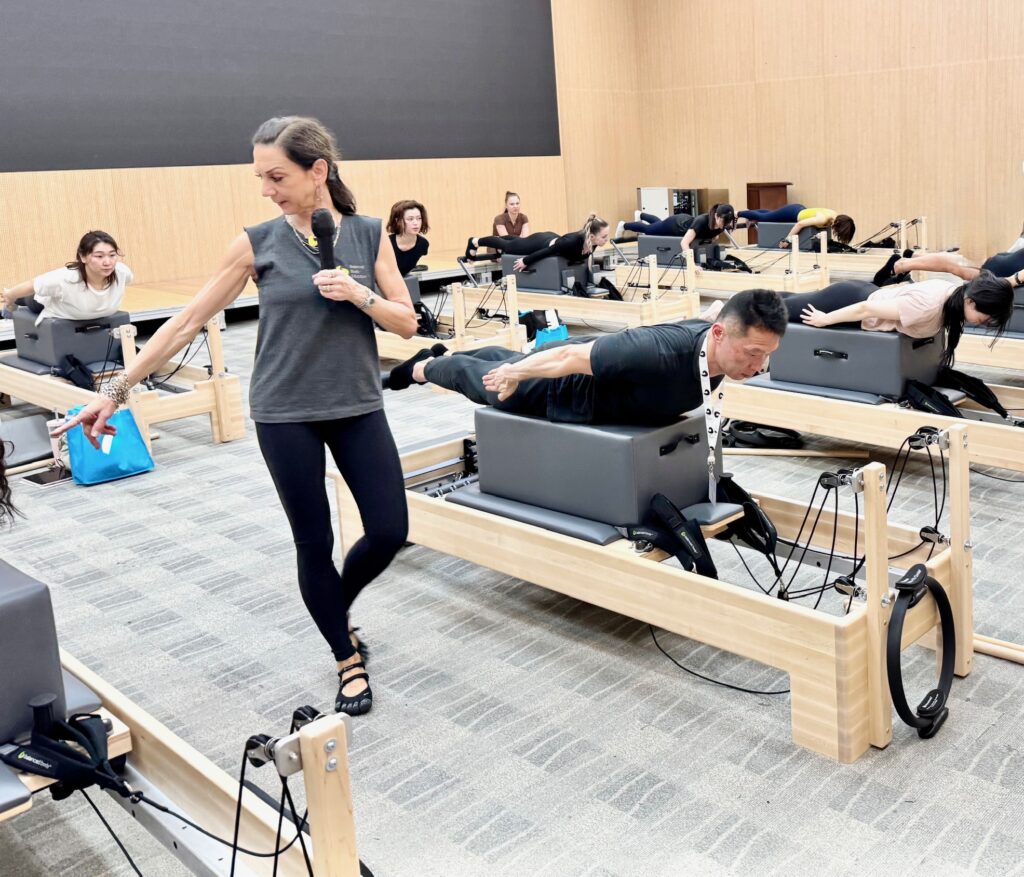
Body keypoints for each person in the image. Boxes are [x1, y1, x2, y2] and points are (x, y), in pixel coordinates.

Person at [54, 116, 418, 717]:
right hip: (284, 413)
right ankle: (345, 655)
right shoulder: (256, 242)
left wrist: (358, 294)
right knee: (315, 541)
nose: (267, 190)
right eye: (261, 178)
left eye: (277, 177)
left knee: (388, 530)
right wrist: (114, 391)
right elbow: (186, 322)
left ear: (318, 171)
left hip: (356, 404)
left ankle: (334, 606)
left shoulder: (368, 233)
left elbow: (406, 322)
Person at [386, 289, 787, 427]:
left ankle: (450, 354)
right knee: (484, 381)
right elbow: (566, 357)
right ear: (719, 336)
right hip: (560, 386)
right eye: (753, 354)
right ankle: (424, 366)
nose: (757, 368)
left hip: (591, 365)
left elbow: (711, 318)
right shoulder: (655, 350)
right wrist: (514, 374)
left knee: (502, 359)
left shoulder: (718, 341)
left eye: (766, 357)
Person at [783, 255, 1017, 365]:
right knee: (783, 307)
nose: (982, 323)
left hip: (868, 293)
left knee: (791, 301)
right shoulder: (928, 306)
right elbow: (865, 309)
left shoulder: (960, 295)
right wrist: (825, 319)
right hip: (848, 300)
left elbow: (949, 265)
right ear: (971, 302)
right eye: (984, 319)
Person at [2, 231, 132, 323]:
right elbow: (32, 285)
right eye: (99, 256)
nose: (108, 262)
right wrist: (10, 297)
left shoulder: (122, 273)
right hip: (49, 302)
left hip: (72, 306)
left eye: (112, 255)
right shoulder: (64, 279)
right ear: (83, 257)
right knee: (30, 299)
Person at [466, 215, 610, 272]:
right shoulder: (571, 242)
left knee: (518, 242)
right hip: (541, 243)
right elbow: (547, 252)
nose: (606, 239)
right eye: (604, 236)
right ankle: (475, 241)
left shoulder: (593, 242)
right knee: (509, 247)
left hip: (552, 240)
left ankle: (499, 242)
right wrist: (525, 261)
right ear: (592, 236)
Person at [619, 204, 738, 250]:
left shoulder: (722, 224)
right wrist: (692, 265)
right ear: (716, 216)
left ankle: (641, 215)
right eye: (723, 221)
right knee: (649, 230)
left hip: (685, 223)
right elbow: (684, 243)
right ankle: (624, 225)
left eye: (727, 222)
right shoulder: (702, 221)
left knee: (658, 224)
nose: (724, 225)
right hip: (675, 225)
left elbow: (714, 236)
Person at [738, 205, 856, 248]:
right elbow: (800, 225)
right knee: (765, 218)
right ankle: (738, 213)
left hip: (799, 210)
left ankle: (750, 213)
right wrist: (786, 240)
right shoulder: (823, 219)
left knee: (771, 215)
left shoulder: (834, 216)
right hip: (793, 213)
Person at [386, 199, 430, 277]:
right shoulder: (386, 243)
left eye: (419, 218)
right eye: (410, 219)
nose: (416, 223)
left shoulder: (423, 244)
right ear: (397, 220)